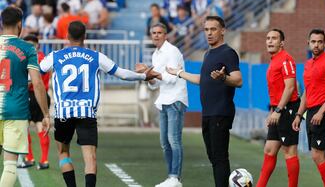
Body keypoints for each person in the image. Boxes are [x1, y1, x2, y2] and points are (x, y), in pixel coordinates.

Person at [39, 20, 159, 187]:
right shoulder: (96, 56)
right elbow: (122, 74)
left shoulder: (55, 56)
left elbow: (33, 74)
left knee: (63, 153)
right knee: (90, 158)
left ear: (66, 36)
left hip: (63, 114)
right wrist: (143, 76)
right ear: (85, 37)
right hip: (87, 113)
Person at [167, 16, 243, 187]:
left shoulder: (228, 53)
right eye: (206, 30)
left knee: (219, 157)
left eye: (213, 29)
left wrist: (224, 77)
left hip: (221, 112)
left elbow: (238, 80)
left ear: (223, 30)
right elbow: (203, 79)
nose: (209, 33)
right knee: (213, 156)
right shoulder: (208, 53)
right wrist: (179, 73)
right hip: (208, 113)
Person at [0, 6, 50, 187]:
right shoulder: (28, 49)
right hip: (16, 110)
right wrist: (45, 113)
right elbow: (37, 83)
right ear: (20, 24)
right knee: (10, 165)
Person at [135, 23, 188, 187]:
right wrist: (147, 76)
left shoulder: (172, 51)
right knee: (165, 142)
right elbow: (155, 84)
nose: (156, 35)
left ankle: (175, 178)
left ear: (166, 35)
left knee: (174, 140)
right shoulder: (156, 55)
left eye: (159, 33)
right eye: (154, 33)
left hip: (175, 99)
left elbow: (172, 78)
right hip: (164, 99)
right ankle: (171, 177)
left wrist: (152, 73)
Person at [292, 29, 325, 187]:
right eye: (313, 42)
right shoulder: (308, 64)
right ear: (308, 43)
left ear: (324, 44)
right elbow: (307, 92)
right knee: (321, 155)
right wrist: (299, 115)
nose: (316, 45)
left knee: (316, 154)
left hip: (324, 112)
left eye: (320, 42)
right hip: (311, 112)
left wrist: (321, 112)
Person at [256, 29, 300, 187]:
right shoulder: (274, 60)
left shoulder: (286, 59)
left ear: (282, 42)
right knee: (269, 149)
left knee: (289, 151)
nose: (270, 41)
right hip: (278, 109)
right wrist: (272, 110)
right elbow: (278, 90)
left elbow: (289, 88)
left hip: (287, 110)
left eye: (274, 38)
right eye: (268, 38)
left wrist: (278, 110)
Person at [17, 35, 51, 170]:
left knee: (25, 128)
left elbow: (32, 81)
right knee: (40, 126)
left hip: (32, 94)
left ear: (37, 46)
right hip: (42, 95)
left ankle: (30, 158)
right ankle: (43, 160)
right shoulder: (45, 59)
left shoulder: (30, 59)